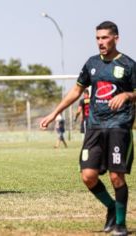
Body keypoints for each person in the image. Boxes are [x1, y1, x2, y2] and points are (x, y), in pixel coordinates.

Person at [40, 21, 136, 235]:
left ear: (116, 38)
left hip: (118, 127)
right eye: (98, 38)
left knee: (116, 177)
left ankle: (120, 224)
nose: (100, 42)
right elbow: (76, 91)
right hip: (94, 127)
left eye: (105, 37)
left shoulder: (129, 65)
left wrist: (127, 94)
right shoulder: (92, 63)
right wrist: (54, 113)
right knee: (88, 176)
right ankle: (111, 208)